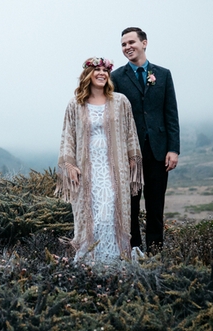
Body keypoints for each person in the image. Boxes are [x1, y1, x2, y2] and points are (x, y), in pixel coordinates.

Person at [57, 57, 143, 263]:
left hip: (115, 168)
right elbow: (68, 135)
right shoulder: (75, 104)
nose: (102, 73)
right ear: (88, 74)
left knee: (112, 212)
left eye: (105, 70)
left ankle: (115, 259)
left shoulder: (121, 101)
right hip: (87, 169)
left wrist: (133, 158)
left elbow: (131, 130)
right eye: (97, 70)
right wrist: (69, 165)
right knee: (91, 214)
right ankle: (89, 260)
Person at [110, 27, 179, 255]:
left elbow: (171, 114)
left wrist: (173, 149)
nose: (127, 47)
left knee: (155, 206)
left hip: (158, 151)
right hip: (130, 155)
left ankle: (156, 253)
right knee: (130, 205)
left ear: (144, 43)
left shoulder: (164, 74)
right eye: (123, 44)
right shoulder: (116, 77)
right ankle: (134, 251)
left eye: (131, 42)